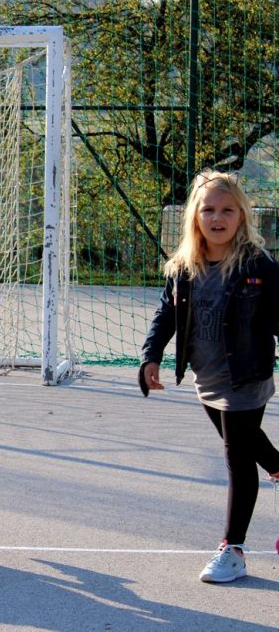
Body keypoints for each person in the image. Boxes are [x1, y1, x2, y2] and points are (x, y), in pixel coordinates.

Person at [140, 170, 279, 583]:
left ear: (242, 216)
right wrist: (152, 356)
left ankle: (232, 549)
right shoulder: (183, 267)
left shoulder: (259, 265)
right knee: (254, 449)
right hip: (207, 377)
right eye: (208, 210)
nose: (217, 217)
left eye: (227, 210)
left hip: (246, 376)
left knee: (238, 459)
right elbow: (166, 314)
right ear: (194, 217)